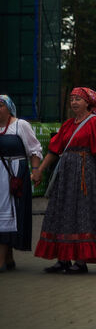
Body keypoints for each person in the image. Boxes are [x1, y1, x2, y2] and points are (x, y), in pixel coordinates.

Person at [32, 87, 96, 273]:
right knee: (60, 212)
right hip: (65, 175)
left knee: (82, 213)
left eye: (78, 99)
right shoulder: (68, 125)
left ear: (87, 103)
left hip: (85, 174)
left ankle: (81, 262)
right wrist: (40, 171)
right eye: (72, 99)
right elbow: (54, 150)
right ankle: (63, 259)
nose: (74, 102)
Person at [0, 95, 42, 271]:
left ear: (9, 107)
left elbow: (34, 149)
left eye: (0, 105)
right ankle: (8, 257)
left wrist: (35, 171)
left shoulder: (20, 125)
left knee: (10, 212)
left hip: (15, 174)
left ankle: (2, 259)